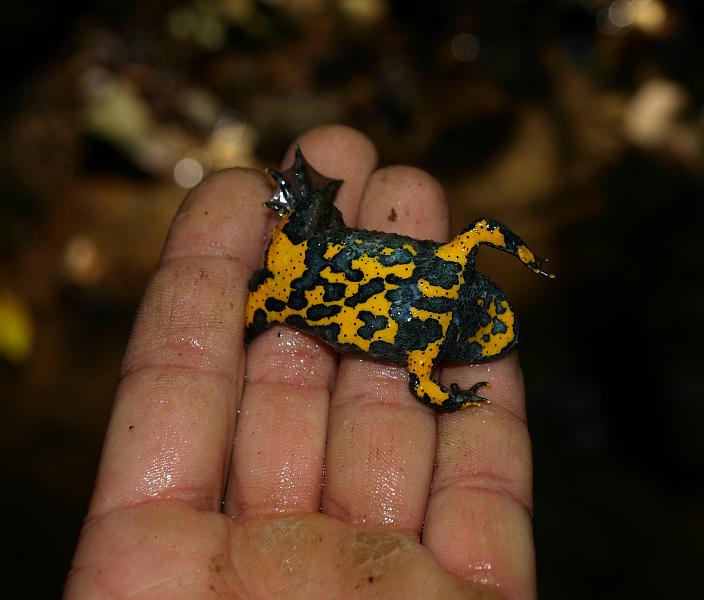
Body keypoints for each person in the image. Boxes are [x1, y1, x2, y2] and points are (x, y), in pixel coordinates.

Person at [64, 125, 536, 599]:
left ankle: (299, 199)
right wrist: (458, 398)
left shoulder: (454, 264)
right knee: (238, 330)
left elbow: (486, 230)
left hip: (292, 264)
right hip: (282, 297)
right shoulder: (427, 351)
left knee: (312, 226)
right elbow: (426, 390)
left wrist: (525, 256)